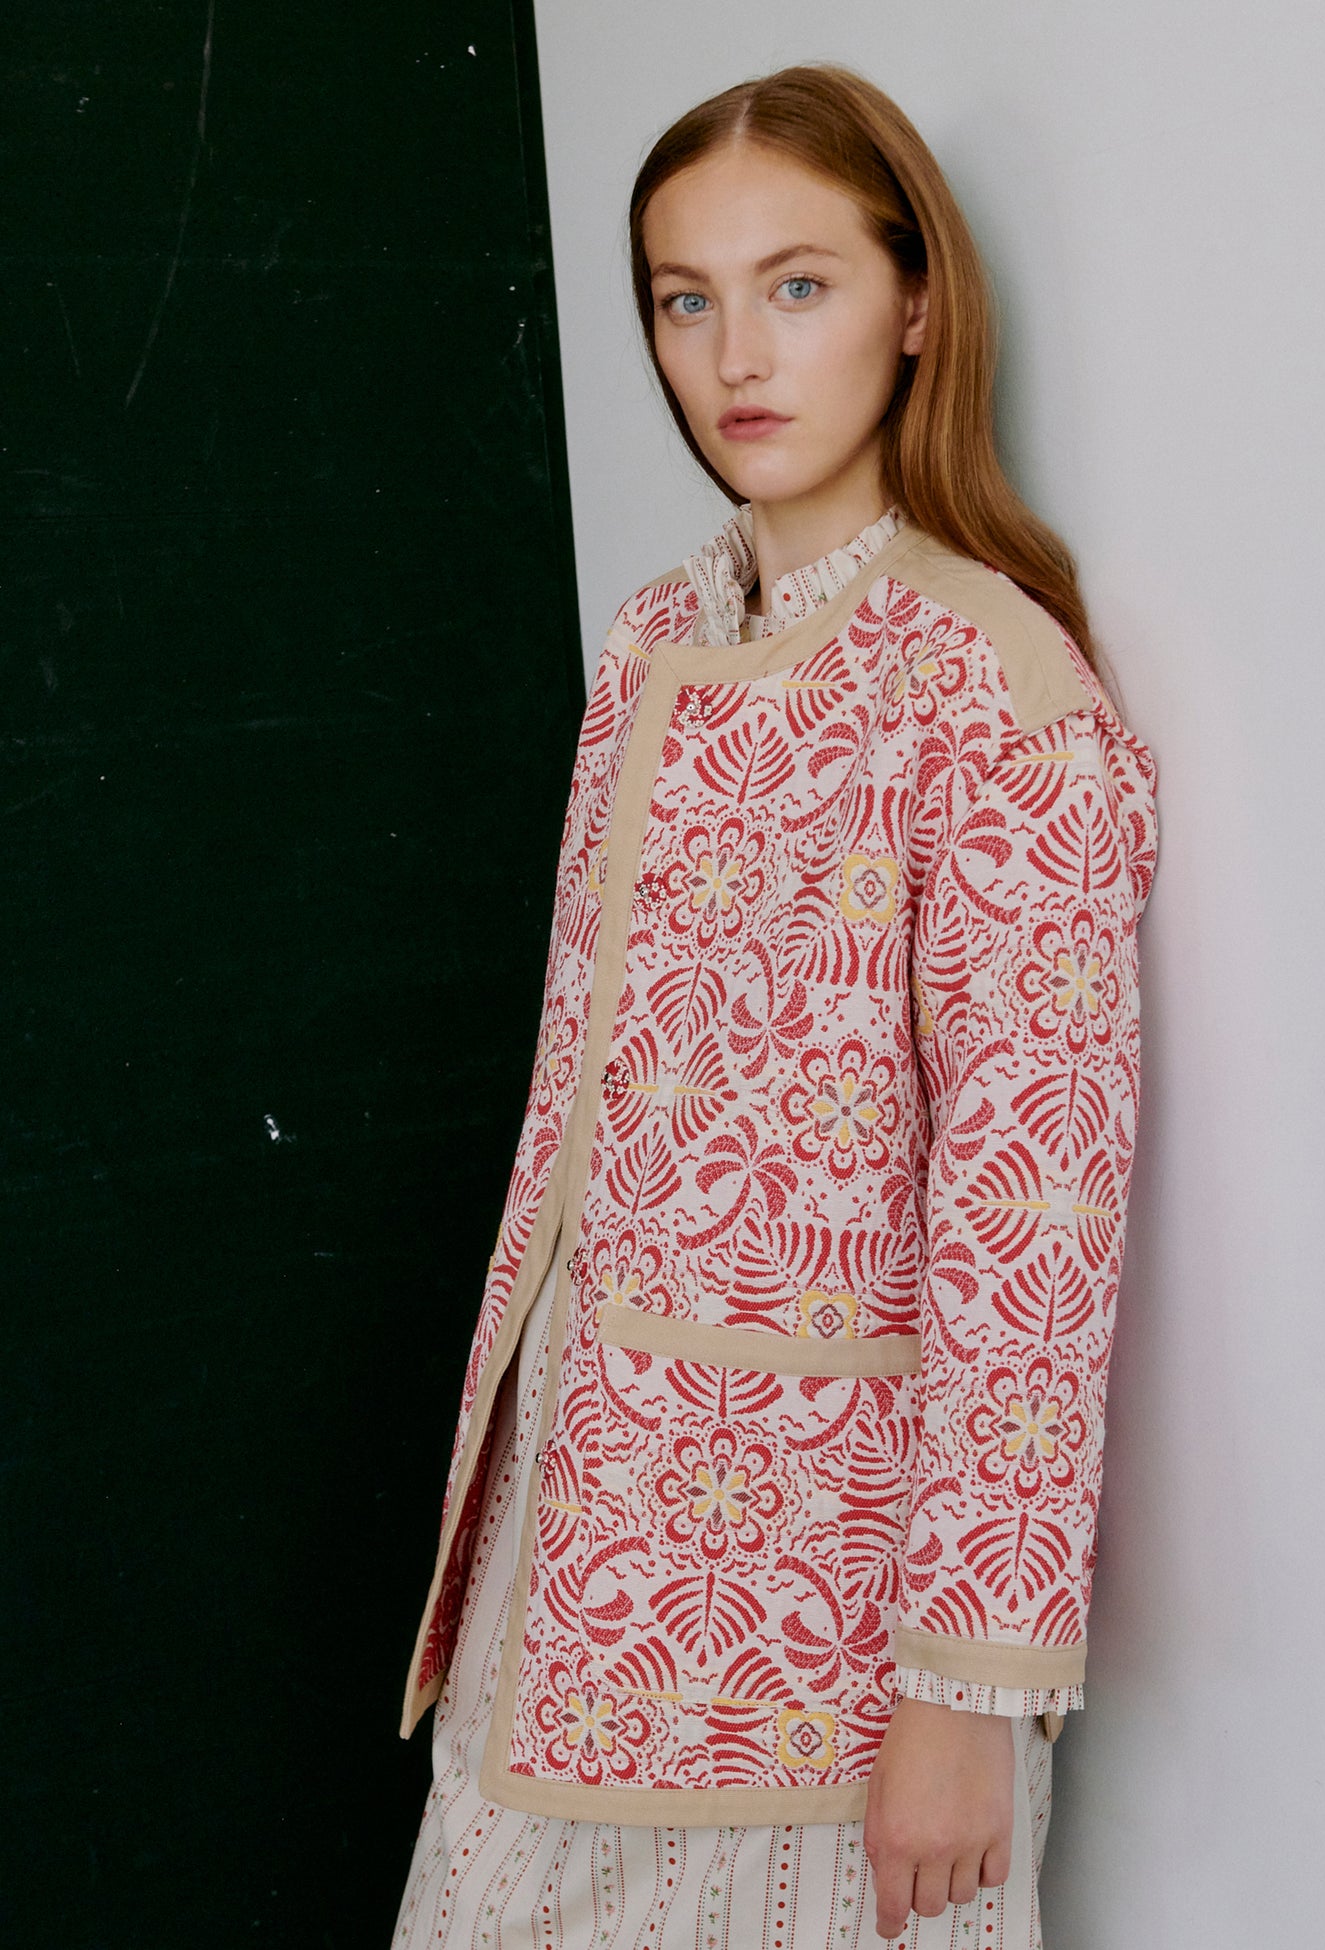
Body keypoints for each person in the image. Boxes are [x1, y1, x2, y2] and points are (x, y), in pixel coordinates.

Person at [391, 62, 1157, 1949]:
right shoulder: (657, 635)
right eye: (685, 294)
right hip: (570, 1545)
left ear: (915, 303)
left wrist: (968, 1692)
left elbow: (1034, 1216)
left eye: (798, 283)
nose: (735, 349)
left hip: (827, 1618)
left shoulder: (996, 688)